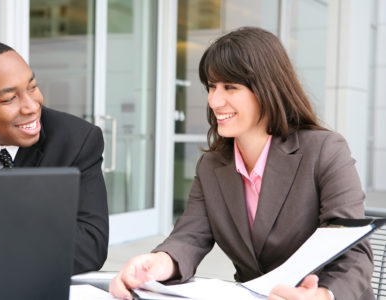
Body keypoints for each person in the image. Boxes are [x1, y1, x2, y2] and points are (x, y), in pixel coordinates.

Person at [109, 27, 373, 299]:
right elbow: (188, 238)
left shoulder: (325, 151)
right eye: (212, 87)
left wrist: (321, 295)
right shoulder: (211, 166)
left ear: (267, 89)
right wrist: (154, 265)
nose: (214, 100)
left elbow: (355, 253)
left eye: (230, 87)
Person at [0, 39, 108, 274]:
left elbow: (90, 246)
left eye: (32, 87)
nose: (31, 107)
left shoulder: (76, 140)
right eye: (9, 99)